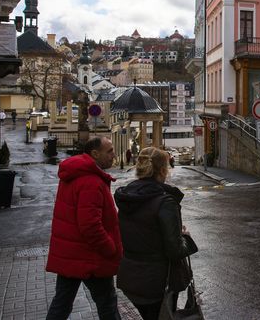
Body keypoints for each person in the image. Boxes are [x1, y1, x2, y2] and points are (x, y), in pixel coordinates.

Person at [115, 147, 198, 320]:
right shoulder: (165, 201)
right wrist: (186, 237)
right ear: (163, 170)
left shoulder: (127, 196)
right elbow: (174, 250)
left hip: (130, 276)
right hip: (158, 280)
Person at [45, 137, 122, 320]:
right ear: (95, 154)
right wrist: (110, 248)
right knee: (107, 305)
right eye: (109, 151)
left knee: (61, 304)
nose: (113, 155)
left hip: (70, 254)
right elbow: (90, 226)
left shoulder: (75, 174)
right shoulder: (91, 182)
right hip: (90, 257)